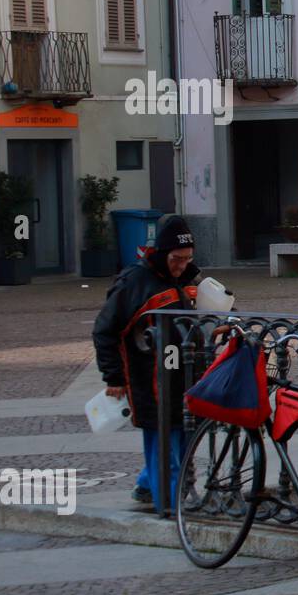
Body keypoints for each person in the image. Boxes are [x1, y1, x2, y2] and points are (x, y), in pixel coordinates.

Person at [93, 215, 200, 511]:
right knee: (164, 434)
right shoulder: (135, 282)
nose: (181, 265)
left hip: (184, 375)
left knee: (180, 433)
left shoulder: (189, 278)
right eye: (176, 258)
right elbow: (105, 329)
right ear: (162, 253)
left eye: (187, 258)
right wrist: (113, 377)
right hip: (149, 377)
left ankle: (147, 484)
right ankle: (170, 502)